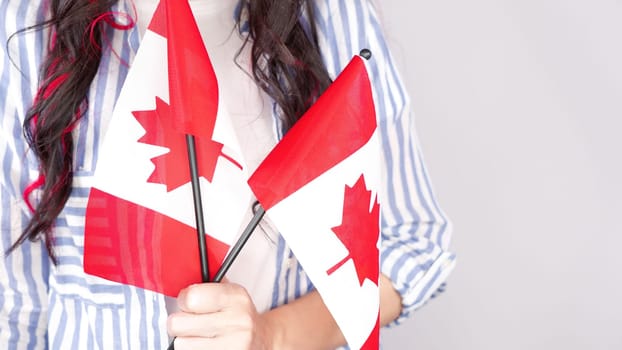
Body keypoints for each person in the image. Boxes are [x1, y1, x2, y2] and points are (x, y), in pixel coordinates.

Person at [0, 0, 456, 349]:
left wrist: (271, 335)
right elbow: (18, 304)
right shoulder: (31, 23)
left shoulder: (327, 14)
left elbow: (414, 247)